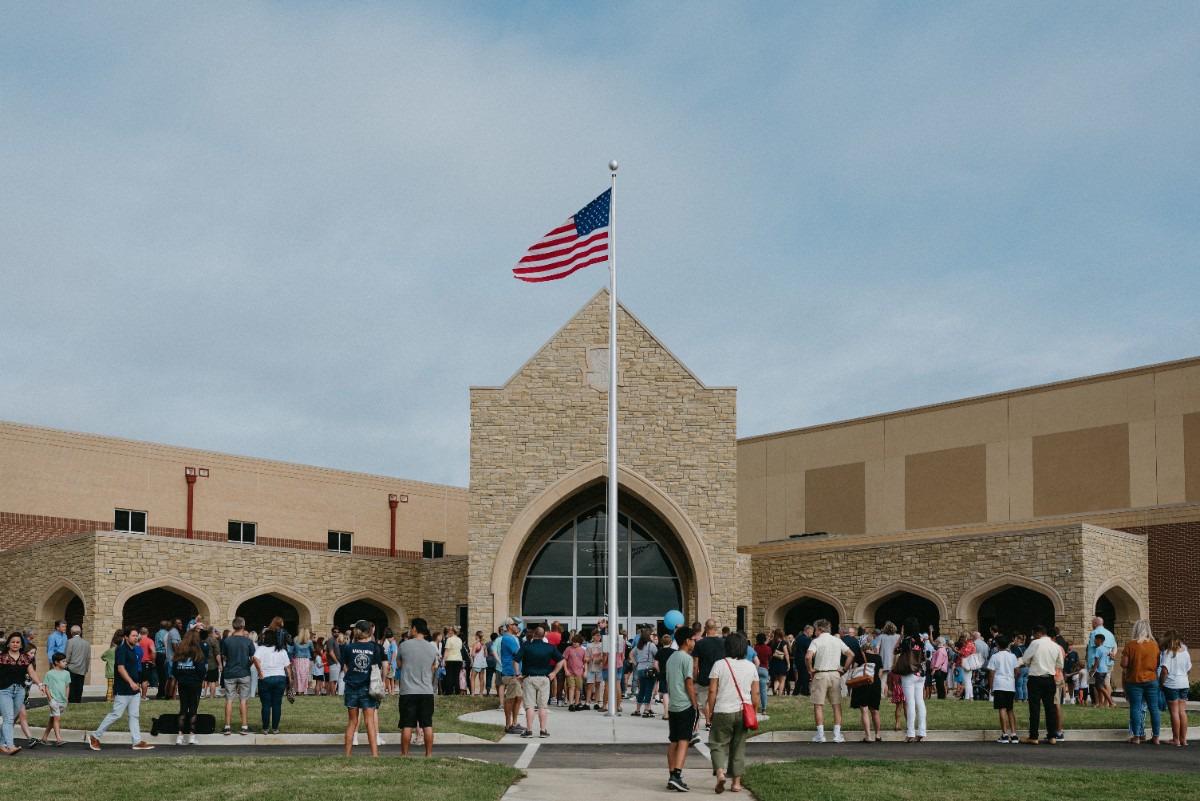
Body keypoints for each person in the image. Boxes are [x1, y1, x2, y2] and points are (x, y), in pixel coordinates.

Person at [704, 632, 759, 794]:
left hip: (723, 709)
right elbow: (755, 694)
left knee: (717, 743)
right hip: (744, 710)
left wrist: (711, 711)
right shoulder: (750, 666)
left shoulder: (719, 665)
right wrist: (753, 711)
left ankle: (720, 773)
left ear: (727, 647)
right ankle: (736, 783)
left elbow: (712, 690)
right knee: (738, 746)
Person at [88, 627, 155, 751]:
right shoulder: (121, 650)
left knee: (134, 716)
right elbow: (120, 668)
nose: (136, 638)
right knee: (116, 714)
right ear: (126, 637)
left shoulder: (135, 650)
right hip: (123, 689)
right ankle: (95, 736)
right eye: (133, 636)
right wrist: (130, 682)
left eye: (137, 636)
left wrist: (137, 684)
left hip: (134, 689)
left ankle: (137, 741)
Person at [805, 618, 853, 743]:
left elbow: (808, 656)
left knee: (818, 705)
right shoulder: (837, 640)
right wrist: (845, 669)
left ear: (819, 629)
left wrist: (810, 669)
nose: (815, 632)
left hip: (820, 674)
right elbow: (851, 654)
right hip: (835, 674)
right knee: (836, 705)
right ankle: (837, 735)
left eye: (815, 630)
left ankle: (821, 735)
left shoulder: (816, 641)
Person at [397, 616, 440, 756]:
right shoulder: (431, 648)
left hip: (408, 691)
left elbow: (399, 664)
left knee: (407, 724)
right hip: (426, 690)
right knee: (427, 724)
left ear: (414, 629)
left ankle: (404, 754)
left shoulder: (404, 645)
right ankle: (428, 754)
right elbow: (433, 666)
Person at [1, 631, 47, 755]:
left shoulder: (26, 658)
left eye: (18, 642)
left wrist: (40, 684)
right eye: (13, 642)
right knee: (8, 718)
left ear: (21, 644)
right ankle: (10, 746)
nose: (15, 644)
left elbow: (32, 673)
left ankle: (1, 743)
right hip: (4, 690)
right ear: (8, 644)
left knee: (12, 717)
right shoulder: (2, 657)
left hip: (20, 691)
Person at [665, 626, 700, 791]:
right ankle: (677, 775)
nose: (694, 642)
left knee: (673, 740)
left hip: (673, 705)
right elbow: (689, 682)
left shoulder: (671, 658)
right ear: (687, 641)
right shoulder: (687, 658)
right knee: (684, 740)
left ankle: (671, 774)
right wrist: (694, 703)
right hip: (685, 704)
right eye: (693, 639)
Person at [341, 620, 382, 757]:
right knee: (369, 721)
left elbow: (345, 665)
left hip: (351, 686)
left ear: (357, 631)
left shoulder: (349, 647)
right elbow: (377, 667)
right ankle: (374, 754)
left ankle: (348, 753)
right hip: (367, 686)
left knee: (352, 722)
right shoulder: (374, 647)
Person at [1017, 624, 1062, 744]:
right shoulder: (1055, 646)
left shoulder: (1035, 644)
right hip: (1050, 678)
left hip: (1036, 678)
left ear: (1038, 634)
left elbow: (1026, 659)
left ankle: (1034, 736)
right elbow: (1060, 664)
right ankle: (1052, 736)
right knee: (1050, 708)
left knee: (1034, 708)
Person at [1121, 618, 1161, 745]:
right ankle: (1156, 737)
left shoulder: (1130, 645)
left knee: (1135, 708)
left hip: (1134, 680)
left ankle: (1137, 736)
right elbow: (1158, 663)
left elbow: (1124, 664)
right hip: (1151, 679)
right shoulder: (1154, 645)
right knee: (1154, 708)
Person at [252, 628, 293, 734]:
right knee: (276, 704)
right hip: (280, 677)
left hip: (265, 677)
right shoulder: (282, 650)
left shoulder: (261, 649)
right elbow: (288, 667)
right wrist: (290, 679)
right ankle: (275, 728)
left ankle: (265, 728)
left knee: (265, 704)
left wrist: (260, 671)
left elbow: (255, 658)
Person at [171, 627, 207, 745]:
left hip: (183, 683)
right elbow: (202, 670)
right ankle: (192, 736)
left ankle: (180, 736)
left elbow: (174, 670)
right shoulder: (198, 653)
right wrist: (199, 679)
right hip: (195, 683)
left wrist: (181, 678)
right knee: (193, 709)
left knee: (182, 709)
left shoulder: (180, 653)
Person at [220, 616, 255, 735]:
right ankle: (244, 726)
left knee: (229, 699)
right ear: (243, 626)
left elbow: (224, 656)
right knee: (243, 700)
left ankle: (227, 726)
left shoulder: (227, 641)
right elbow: (252, 657)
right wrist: (248, 664)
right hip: (244, 671)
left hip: (230, 672)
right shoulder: (248, 641)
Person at [894, 617, 927, 742]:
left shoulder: (906, 640)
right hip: (921, 673)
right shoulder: (922, 639)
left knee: (910, 702)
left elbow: (895, 651)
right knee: (920, 701)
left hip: (909, 672)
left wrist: (901, 636)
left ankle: (910, 732)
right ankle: (922, 731)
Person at [1158, 628, 1191, 747]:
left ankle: (1175, 739)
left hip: (1172, 684)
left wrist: (1161, 683)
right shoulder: (1185, 652)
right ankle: (1184, 739)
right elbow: (1188, 669)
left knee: (1174, 712)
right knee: (1182, 711)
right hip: (1184, 683)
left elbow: (1164, 671)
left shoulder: (1168, 653)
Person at [692, 619, 725, 733]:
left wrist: (695, 677)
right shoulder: (723, 643)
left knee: (701, 702)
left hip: (704, 677)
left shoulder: (699, 643)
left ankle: (706, 721)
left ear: (705, 629)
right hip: (720, 677)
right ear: (716, 628)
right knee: (717, 700)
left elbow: (695, 664)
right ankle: (713, 722)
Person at [986, 634, 1019, 743]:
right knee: (1010, 709)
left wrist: (991, 687)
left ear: (997, 645)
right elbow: (1017, 671)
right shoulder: (1012, 656)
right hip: (1010, 684)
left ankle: (1004, 734)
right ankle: (1013, 734)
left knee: (1002, 709)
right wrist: (1012, 679)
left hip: (999, 684)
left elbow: (991, 673)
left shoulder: (995, 657)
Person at [850, 639, 884, 742]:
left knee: (864, 710)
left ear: (863, 649)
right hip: (875, 683)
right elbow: (880, 673)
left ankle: (868, 736)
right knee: (875, 710)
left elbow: (854, 669)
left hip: (863, 684)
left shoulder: (860, 655)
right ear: (872, 649)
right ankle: (878, 735)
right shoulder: (878, 657)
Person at [498, 618, 525, 733]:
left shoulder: (511, 638)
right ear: (509, 626)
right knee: (510, 699)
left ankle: (514, 723)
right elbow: (518, 653)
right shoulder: (508, 638)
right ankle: (508, 725)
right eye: (515, 625)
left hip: (515, 673)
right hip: (510, 672)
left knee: (519, 698)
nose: (517, 627)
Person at [38, 652, 71, 746]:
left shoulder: (67, 673)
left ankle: (44, 738)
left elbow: (67, 686)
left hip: (63, 700)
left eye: (65, 661)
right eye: (63, 661)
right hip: (54, 700)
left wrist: (66, 698)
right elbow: (46, 687)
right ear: (56, 662)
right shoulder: (49, 674)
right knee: (57, 718)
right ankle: (59, 739)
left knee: (52, 719)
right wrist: (50, 698)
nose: (65, 663)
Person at [630, 629, 659, 718]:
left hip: (640, 668)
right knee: (649, 690)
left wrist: (636, 663)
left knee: (641, 689)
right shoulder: (651, 645)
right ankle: (646, 710)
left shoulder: (639, 646)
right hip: (649, 669)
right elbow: (657, 655)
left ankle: (638, 709)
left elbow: (631, 654)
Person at [560, 633, 587, 711]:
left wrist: (585, 671)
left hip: (579, 672)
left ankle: (577, 703)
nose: (574, 643)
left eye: (576, 642)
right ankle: (571, 704)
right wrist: (566, 670)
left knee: (578, 688)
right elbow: (564, 659)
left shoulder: (583, 650)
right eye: (573, 641)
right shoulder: (569, 649)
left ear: (580, 643)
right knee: (571, 687)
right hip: (570, 671)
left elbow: (585, 662)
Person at [64, 625, 90, 704]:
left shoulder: (70, 641)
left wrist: (65, 664)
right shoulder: (86, 643)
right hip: (82, 668)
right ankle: (78, 700)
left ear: (71, 632)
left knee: (71, 686)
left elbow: (67, 655)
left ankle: (72, 701)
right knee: (79, 686)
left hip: (71, 667)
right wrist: (86, 668)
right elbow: (88, 657)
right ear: (80, 632)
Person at [1089, 631, 1116, 708]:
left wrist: (1093, 670)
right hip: (1104, 670)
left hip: (1099, 670)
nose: (1094, 641)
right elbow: (1111, 656)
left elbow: (1097, 660)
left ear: (1099, 640)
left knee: (1100, 687)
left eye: (1095, 639)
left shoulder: (1098, 649)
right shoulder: (1105, 649)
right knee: (1099, 687)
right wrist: (1112, 658)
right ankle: (1101, 704)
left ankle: (1111, 703)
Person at [291, 628, 314, 697]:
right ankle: (303, 691)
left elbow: (292, 650)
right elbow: (312, 650)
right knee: (304, 676)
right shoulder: (309, 642)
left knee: (297, 675)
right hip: (306, 659)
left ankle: (297, 690)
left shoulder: (295, 640)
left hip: (297, 659)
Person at [100, 630, 120, 702]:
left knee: (110, 687)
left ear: (113, 643)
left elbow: (103, 657)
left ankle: (108, 700)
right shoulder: (121, 650)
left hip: (110, 672)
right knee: (117, 687)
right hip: (118, 672)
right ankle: (116, 699)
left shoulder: (110, 651)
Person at [137, 626, 156, 699]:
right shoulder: (149, 641)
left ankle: (137, 696)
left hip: (138, 662)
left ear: (140, 632)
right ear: (147, 632)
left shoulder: (137, 641)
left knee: (138, 680)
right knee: (145, 680)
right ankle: (144, 696)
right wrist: (153, 661)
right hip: (146, 662)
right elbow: (153, 651)